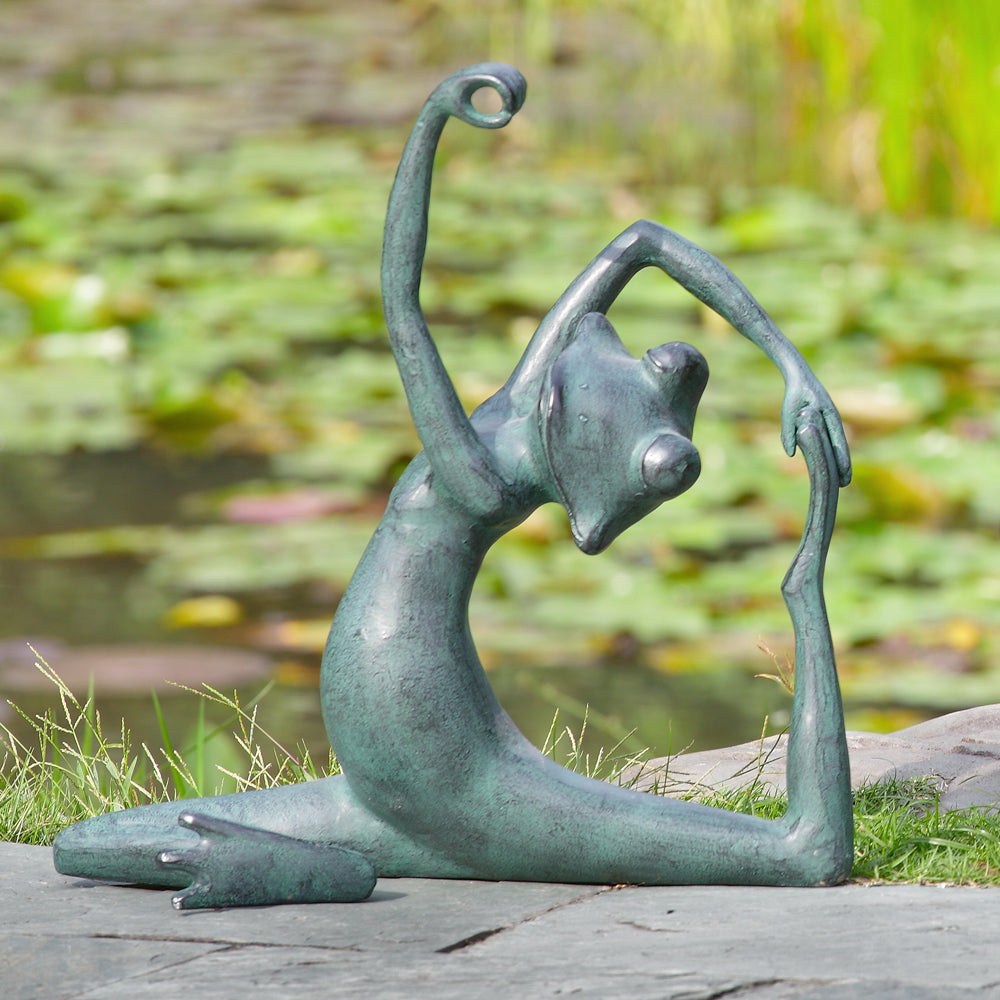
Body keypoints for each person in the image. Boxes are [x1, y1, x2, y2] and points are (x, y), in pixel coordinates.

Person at [54, 64, 853, 909]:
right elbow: (642, 241)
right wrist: (789, 363)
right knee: (83, 844)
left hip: (430, 744)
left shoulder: (477, 477)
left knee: (794, 852)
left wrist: (805, 587)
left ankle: (340, 865)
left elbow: (403, 304)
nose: (645, 361)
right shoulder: (517, 406)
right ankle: (333, 863)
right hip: (397, 730)